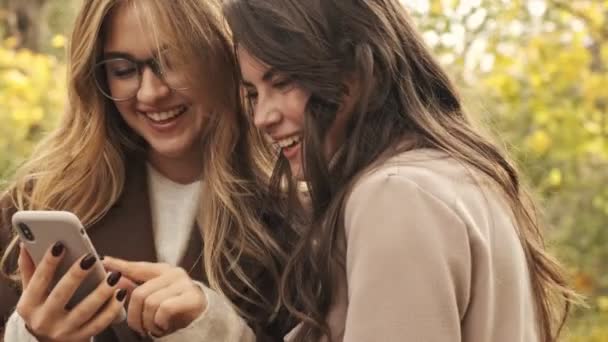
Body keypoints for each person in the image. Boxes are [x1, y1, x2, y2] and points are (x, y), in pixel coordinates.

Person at [220, 0, 577, 341]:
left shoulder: (396, 197)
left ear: (360, 69)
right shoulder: (454, 175)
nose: (262, 117)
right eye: (253, 94)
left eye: (282, 83)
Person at [0, 0, 291, 341]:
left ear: (222, 56)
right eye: (123, 70)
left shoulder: (294, 216)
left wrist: (220, 330)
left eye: (173, 61)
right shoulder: (37, 203)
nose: (152, 92)